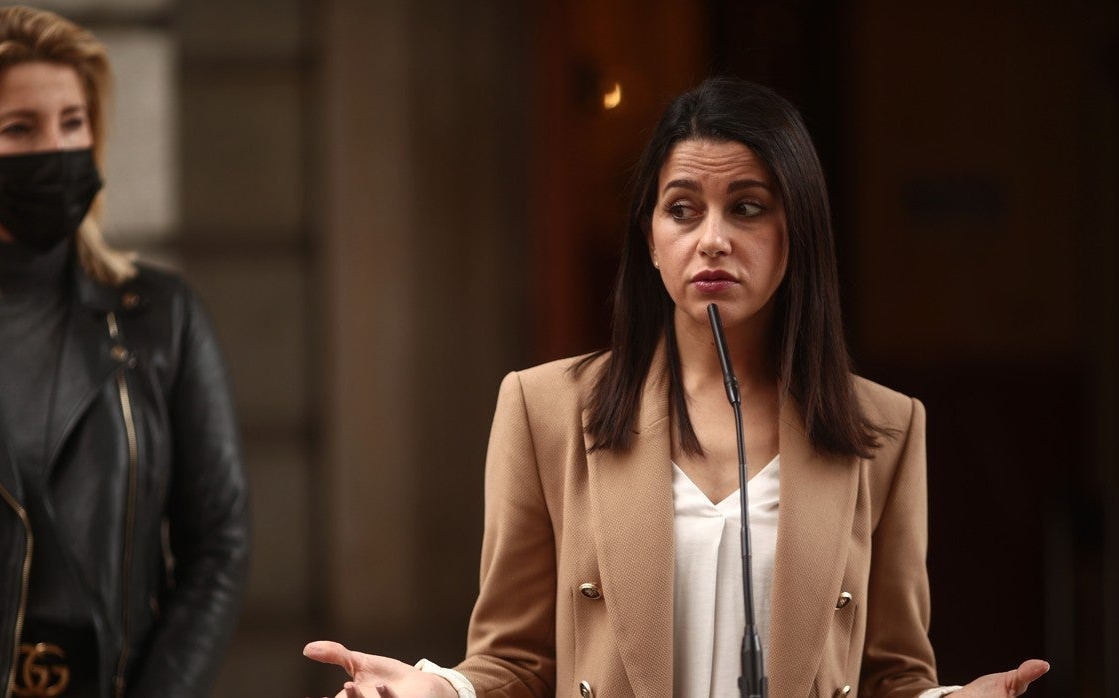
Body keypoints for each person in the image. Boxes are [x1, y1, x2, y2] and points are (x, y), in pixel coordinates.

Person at [304, 77, 1049, 697]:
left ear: (799, 231)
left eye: (748, 207)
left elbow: (890, 675)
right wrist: (439, 689)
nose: (713, 238)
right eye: (683, 209)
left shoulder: (884, 428)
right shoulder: (546, 411)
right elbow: (517, 660)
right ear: (651, 237)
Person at [0, 6, 249, 697]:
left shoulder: (162, 319)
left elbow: (218, 545)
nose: (57, 147)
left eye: (72, 122)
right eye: (20, 127)